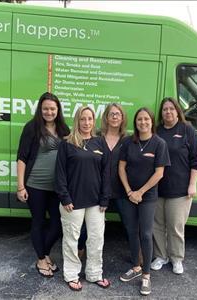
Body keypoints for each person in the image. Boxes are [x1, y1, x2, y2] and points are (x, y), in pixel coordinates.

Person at [55, 106, 111, 291]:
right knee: (71, 239)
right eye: (82, 119)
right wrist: (65, 197)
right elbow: (60, 173)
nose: (86, 123)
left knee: (96, 239)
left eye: (89, 119)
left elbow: (106, 172)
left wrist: (105, 198)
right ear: (77, 121)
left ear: (93, 121)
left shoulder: (100, 142)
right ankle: (71, 275)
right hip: (73, 201)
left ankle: (94, 274)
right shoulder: (67, 144)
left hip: (96, 202)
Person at [16, 92, 70, 278]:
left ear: (58, 110)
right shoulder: (32, 128)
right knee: (38, 222)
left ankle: (44, 253)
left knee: (57, 224)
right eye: (45, 108)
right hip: (35, 185)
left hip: (57, 187)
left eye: (52, 108)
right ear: (40, 109)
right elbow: (22, 158)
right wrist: (20, 186)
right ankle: (41, 259)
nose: (49, 112)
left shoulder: (63, 128)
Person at [118, 107, 170, 296]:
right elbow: (121, 168)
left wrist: (140, 192)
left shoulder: (159, 143)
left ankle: (146, 275)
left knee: (146, 234)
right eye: (140, 119)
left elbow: (159, 173)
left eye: (146, 119)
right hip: (129, 195)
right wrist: (129, 191)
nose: (143, 122)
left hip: (147, 196)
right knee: (132, 231)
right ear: (136, 122)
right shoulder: (128, 142)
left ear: (151, 121)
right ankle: (135, 266)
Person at [151, 97, 197, 274]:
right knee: (157, 225)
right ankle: (160, 256)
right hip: (158, 188)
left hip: (180, 190)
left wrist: (192, 184)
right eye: (165, 109)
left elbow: (196, 160)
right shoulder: (156, 131)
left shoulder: (187, 130)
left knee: (175, 226)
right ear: (161, 113)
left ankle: (176, 258)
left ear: (177, 111)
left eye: (171, 109)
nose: (168, 112)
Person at [77, 103, 128, 258]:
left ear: (122, 117)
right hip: (98, 190)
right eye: (111, 114)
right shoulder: (96, 137)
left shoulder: (128, 140)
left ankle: (138, 258)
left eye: (117, 114)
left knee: (130, 223)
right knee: (86, 226)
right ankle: (79, 251)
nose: (114, 117)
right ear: (106, 117)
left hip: (120, 190)